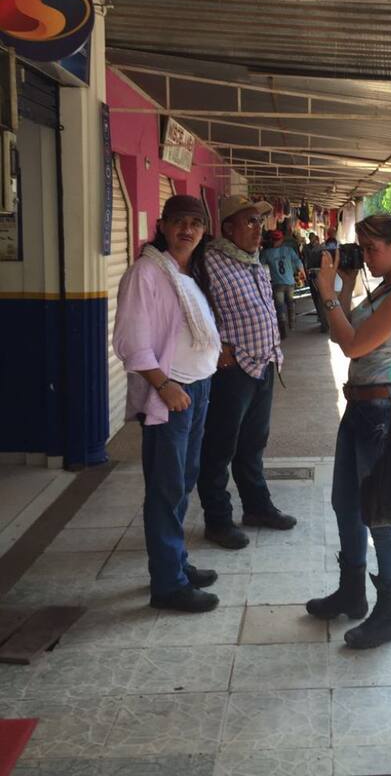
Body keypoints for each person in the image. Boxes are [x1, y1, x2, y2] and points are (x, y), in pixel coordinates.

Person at [305, 214, 391, 649]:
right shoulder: (382, 289)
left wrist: (327, 294)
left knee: (381, 513)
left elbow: (353, 344)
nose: (367, 256)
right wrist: (343, 284)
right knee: (346, 504)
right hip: (360, 407)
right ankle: (352, 591)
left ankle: (390, 613)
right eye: (361, 247)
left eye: (372, 248)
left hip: (383, 411)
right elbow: (341, 329)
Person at [114, 195, 222, 613]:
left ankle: (175, 562)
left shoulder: (185, 272)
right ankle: (168, 585)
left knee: (183, 481)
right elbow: (131, 342)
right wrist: (163, 385)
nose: (187, 230)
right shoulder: (145, 273)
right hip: (171, 396)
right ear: (162, 225)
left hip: (196, 390)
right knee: (166, 488)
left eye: (195, 223)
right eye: (179, 221)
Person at [197, 195, 297, 551]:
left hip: (264, 364)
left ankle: (257, 508)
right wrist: (216, 346)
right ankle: (218, 521)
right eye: (250, 221)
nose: (259, 228)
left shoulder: (255, 260)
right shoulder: (208, 262)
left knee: (253, 444)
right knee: (219, 447)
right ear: (228, 228)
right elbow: (192, 310)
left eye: (260, 221)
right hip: (233, 370)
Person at [261, 229, 305, 338]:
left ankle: (282, 329)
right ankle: (292, 325)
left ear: (272, 240)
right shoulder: (289, 250)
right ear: (281, 240)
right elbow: (298, 261)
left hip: (277, 284)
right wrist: (303, 273)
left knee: (279, 307)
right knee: (290, 303)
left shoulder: (267, 253)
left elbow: (260, 266)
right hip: (290, 282)